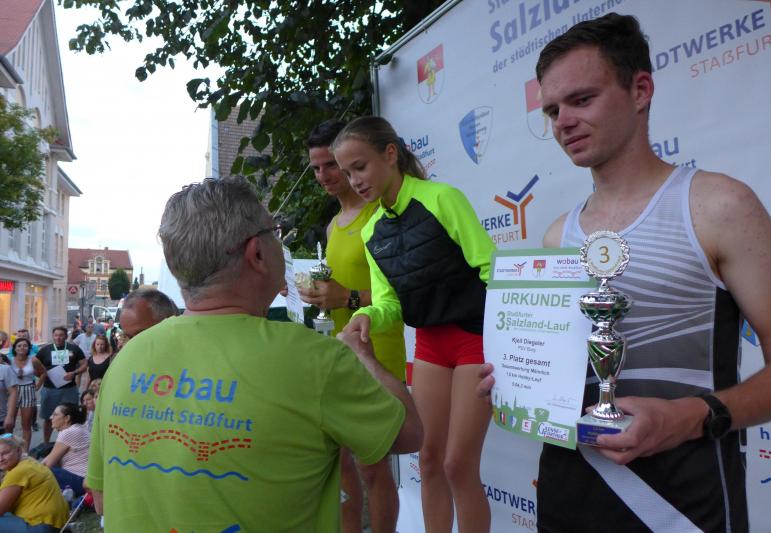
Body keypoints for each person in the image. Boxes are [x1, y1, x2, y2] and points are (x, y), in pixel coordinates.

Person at [477, 13, 771, 531]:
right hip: (566, 492)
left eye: (582, 100)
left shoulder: (718, 206)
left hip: (683, 503)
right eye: (553, 110)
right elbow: (557, 373)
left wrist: (686, 418)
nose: (563, 122)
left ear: (640, 90)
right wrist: (517, 379)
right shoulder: (558, 234)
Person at [85, 177, 423, 531]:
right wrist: (364, 356)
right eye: (275, 232)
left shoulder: (125, 361)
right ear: (257, 254)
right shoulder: (313, 359)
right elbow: (409, 433)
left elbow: (102, 498)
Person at [334, 116, 495, 533]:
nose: (355, 180)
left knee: (458, 464)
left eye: (360, 167)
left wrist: (504, 335)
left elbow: (490, 269)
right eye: (347, 173)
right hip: (429, 345)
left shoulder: (442, 198)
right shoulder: (372, 231)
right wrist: (365, 315)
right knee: (427, 459)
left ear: (390, 154)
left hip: (475, 338)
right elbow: (389, 303)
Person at [296, 119, 407, 533]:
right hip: (339, 354)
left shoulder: (383, 213)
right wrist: (316, 294)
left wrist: (348, 298)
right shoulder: (333, 223)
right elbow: (338, 289)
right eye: (316, 168)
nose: (324, 175)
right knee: (340, 469)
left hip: (379, 352)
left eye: (331, 165)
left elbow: (402, 295)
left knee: (374, 469)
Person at [0, 434, 69, 532]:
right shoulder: (28, 461)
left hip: (40, 526)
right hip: (57, 523)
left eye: (5, 453)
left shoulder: (18, 472)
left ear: (18, 450)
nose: (1, 459)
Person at [33, 326, 87, 444]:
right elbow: (35, 365)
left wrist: (74, 373)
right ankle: (46, 444)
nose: (58, 338)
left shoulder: (74, 348)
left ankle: (69, 444)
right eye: (56, 335)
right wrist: (40, 374)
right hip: (49, 389)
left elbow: (84, 364)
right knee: (48, 418)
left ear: (66, 336)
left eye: (61, 335)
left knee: (71, 417)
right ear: (53, 336)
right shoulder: (45, 350)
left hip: (69, 389)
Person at [41, 402, 90, 498]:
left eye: (55, 415)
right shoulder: (77, 428)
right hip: (84, 479)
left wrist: (31, 469)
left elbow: (48, 464)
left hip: (80, 480)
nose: (51, 417)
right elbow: (50, 457)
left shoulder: (68, 432)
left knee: (43, 472)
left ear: (67, 418)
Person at [10, 338, 44, 451]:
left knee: (26, 424)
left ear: (29, 348)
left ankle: (25, 452)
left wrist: (37, 386)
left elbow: (43, 373)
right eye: (19, 345)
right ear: (15, 348)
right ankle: (9, 449)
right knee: (9, 424)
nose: (22, 348)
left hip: (28, 389)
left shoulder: (33, 360)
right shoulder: (10, 360)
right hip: (13, 390)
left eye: (25, 345)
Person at [0, 348, 18, 434]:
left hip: (1, 417)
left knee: (4, 441)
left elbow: (13, 392)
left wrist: (10, 416)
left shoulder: (5, 369)